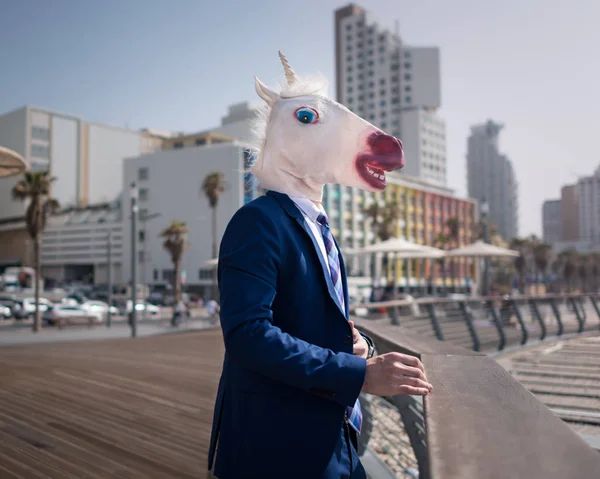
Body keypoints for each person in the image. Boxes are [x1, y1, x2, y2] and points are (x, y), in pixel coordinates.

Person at [208, 52, 432, 479]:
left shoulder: (319, 228)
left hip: (331, 439)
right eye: (307, 116)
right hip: (278, 450)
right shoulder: (258, 221)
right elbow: (247, 334)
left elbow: (320, 320)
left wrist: (361, 344)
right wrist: (360, 375)